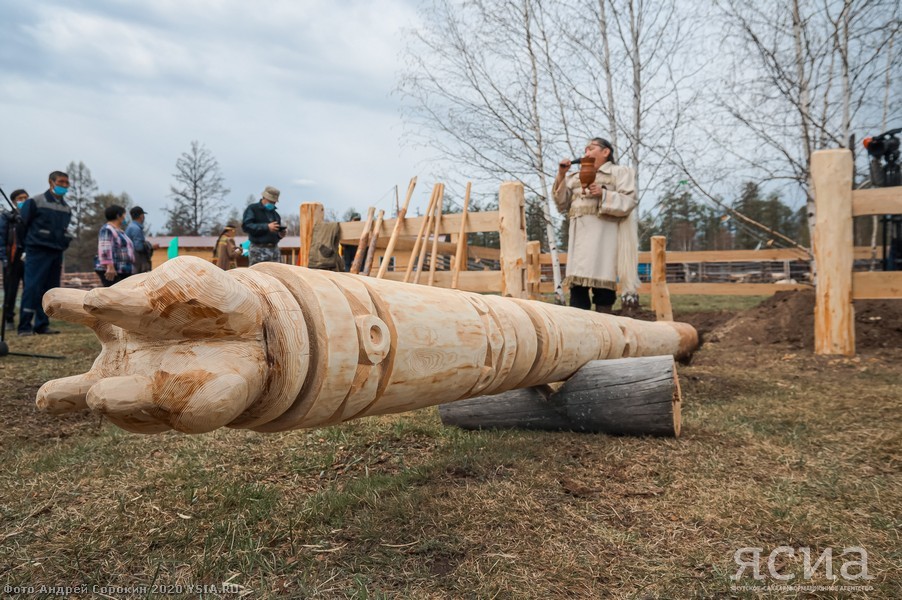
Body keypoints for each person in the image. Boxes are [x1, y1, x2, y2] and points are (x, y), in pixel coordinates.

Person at [553, 138, 640, 313]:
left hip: (605, 236)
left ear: (605, 152)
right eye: (585, 150)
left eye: (591, 149)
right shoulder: (574, 177)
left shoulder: (620, 173)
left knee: (603, 283)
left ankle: (605, 328)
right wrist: (561, 174)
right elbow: (561, 203)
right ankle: (579, 330)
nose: (586, 153)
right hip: (579, 241)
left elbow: (629, 201)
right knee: (578, 287)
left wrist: (604, 194)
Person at [18, 171, 73, 336]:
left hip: (56, 252)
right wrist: (24, 247)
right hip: (37, 250)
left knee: (50, 289)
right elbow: (22, 225)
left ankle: (42, 324)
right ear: (51, 182)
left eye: (66, 183)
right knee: (32, 287)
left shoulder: (66, 208)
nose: (64, 185)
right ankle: (25, 326)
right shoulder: (35, 202)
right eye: (61, 182)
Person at [1, 189, 28, 326]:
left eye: (26, 198)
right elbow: (2, 237)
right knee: (10, 289)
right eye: (20, 198)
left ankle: (26, 318)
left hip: (28, 256)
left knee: (29, 289)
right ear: (13, 201)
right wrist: (4, 258)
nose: (23, 200)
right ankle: (8, 318)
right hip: (12, 257)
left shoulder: (30, 216)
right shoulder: (7, 216)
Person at [242, 186, 285, 266]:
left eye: (274, 202)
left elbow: (275, 233)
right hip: (258, 249)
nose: (272, 204)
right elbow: (246, 226)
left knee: (275, 275)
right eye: (270, 201)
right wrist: (266, 227)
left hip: (274, 250)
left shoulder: (275, 215)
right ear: (264, 197)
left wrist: (280, 235)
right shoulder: (253, 209)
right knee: (258, 275)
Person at [95, 205, 135, 287]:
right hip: (113, 270)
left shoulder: (119, 231)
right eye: (124, 214)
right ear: (118, 215)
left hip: (123, 269)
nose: (125, 217)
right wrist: (109, 266)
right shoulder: (107, 229)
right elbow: (105, 248)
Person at [125, 206, 153, 273]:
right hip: (136, 264)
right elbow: (139, 247)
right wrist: (150, 246)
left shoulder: (130, 227)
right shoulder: (136, 229)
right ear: (141, 216)